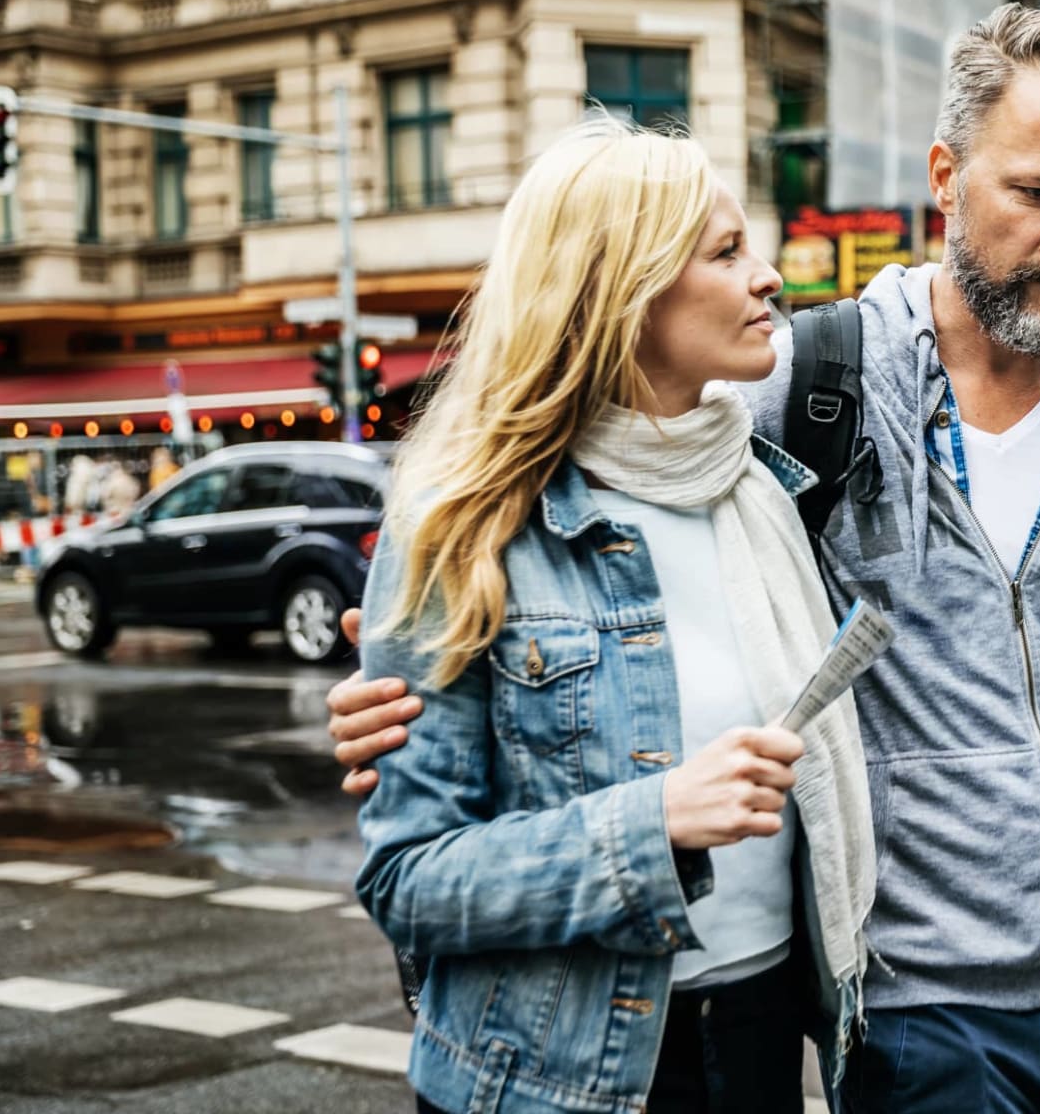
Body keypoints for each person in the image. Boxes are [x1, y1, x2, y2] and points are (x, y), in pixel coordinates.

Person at [326, 4, 1040, 1114]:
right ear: (946, 178)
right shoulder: (796, 393)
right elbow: (425, 840)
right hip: (891, 1019)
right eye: (1038, 192)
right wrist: (417, 678)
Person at [348, 119, 874, 1114]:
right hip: (554, 1071)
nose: (767, 277)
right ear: (622, 292)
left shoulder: (760, 492)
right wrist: (653, 823)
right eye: (726, 252)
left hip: (760, 1040)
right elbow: (407, 880)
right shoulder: (465, 526)